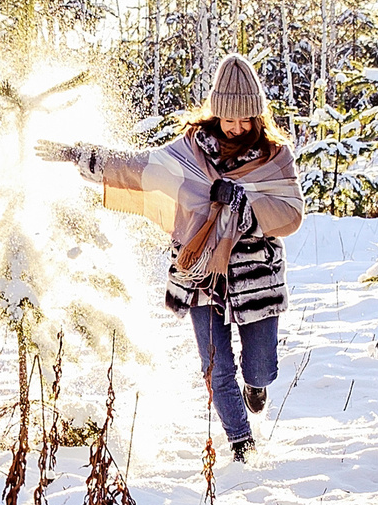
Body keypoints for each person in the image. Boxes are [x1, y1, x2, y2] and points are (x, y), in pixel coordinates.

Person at [36, 54, 303, 462]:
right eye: (229, 119)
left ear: (257, 116)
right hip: (200, 272)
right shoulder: (190, 151)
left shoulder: (274, 156)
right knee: (216, 367)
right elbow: (137, 167)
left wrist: (242, 203)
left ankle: (257, 384)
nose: (236, 127)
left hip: (255, 276)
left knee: (260, 366)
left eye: (245, 119)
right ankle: (242, 445)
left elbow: (291, 213)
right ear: (216, 113)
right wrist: (80, 155)